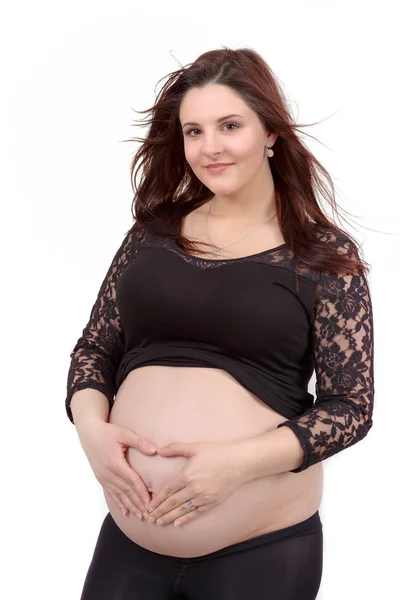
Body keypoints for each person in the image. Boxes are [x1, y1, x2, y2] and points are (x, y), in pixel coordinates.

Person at [66, 46, 374, 600]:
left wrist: (235, 465)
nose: (210, 148)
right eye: (193, 131)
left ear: (270, 133)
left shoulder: (321, 255)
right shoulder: (151, 234)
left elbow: (350, 408)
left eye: (229, 125)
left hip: (261, 548)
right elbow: (94, 348)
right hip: (131, 541)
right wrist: (92, 431)